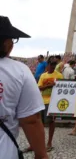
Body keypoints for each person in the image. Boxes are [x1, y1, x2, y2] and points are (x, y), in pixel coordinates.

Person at [0, 16, 48, 159]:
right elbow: (31, 120)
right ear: (7, 43)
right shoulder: (19, 71)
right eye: (13, 40)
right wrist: (41, 155)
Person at [37, 60, 64, 152]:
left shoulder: (59, 75)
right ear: (47, 65)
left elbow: (63, 88)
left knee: (51, 122)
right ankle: (38, 143)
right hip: (42, 101)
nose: (53, 66)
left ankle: (49, 142)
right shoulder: (43, 75)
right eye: (51, 64)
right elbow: (39, 87)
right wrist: (49, 86)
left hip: (52, 102)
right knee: (40, 123)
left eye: (54, 64)